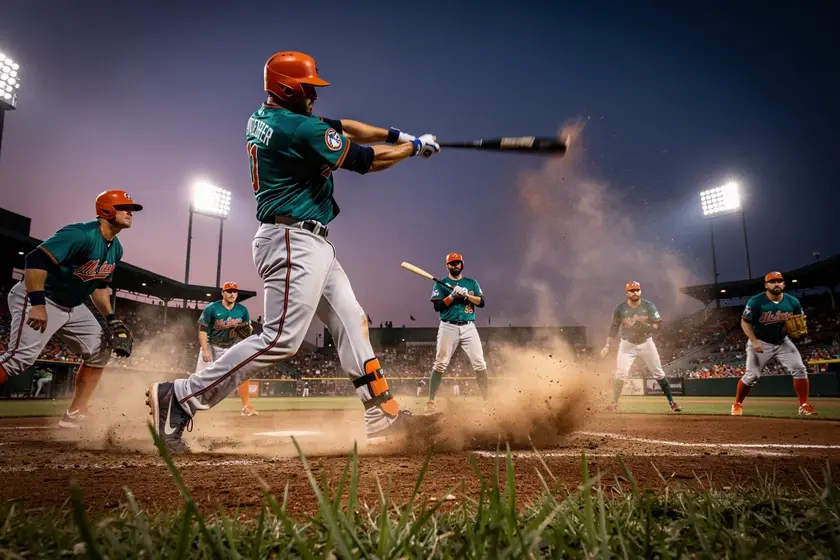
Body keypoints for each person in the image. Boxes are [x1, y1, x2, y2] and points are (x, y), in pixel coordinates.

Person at [147, 51, 443, 452]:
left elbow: (345, 127)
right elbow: (364, 160)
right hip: (293, 241)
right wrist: (413, 150)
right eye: (308, 89)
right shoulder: (297, 128)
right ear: (287, 90)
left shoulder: (272, 117)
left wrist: (397, 135)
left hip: (310, 241)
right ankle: (180, 398)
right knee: (280, 338)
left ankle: (381, 414)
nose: (314, 96)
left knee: (352, 322)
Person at [0, 190, 141, 427]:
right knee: (20, 359)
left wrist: (112, 318)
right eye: (124, 207)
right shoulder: (80, 234)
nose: (130, 213)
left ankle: (75, 413)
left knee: (100, 351)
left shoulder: (116, 248)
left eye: (132, 209)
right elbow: (35, 260)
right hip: (39, 296)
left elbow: (98, 285)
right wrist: (37, 303)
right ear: (106, 210)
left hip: (73, 306)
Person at [731, 271, 816, 416]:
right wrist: (754, 340)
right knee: (752, 375)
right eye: (772, 281)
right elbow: (745, 323)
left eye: (779, 281)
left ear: (783, 284)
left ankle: (804, 405)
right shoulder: (756, 301)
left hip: (783, 341)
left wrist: (801, 325)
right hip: (760, 341)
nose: (776, 284)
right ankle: (737, 404)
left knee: (799, 368)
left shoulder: (793, 302)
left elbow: (799, 319)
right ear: (766, 285)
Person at [600, 281, 681, 412]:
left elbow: (658, 324)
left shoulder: (649, 306)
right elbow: (614, 327)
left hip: (646, 343)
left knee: (659, 373)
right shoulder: (620, 308)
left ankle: (672, 402)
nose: (635, 292)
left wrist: (648, 328)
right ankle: (614, 403)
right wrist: (607, 345)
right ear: (627, 293)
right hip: (627, 344)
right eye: (632, 290)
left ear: (640, 291)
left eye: (637, 290)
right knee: (620, 373)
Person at [426, 253, 488, 411]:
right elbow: (437, 307)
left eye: (457, 263)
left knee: (480, 363)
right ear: (447, 266)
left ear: (462, 264)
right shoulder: (441, 284)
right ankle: (430, 402)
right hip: (448, 326)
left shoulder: (471, 282)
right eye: (452, 263)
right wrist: (452, 296)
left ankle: (487, 402)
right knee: (440, 364)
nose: (455, 266)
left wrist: (466, 295)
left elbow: (481, 302)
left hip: (469, 326)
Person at [195, 281, 257, 416]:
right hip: (212, 347)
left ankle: (246, 406)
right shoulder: (212, 308)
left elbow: (249, 330)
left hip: (231, 348)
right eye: (229, 291)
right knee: (199, 379)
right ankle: (190, 405)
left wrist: (249, 330)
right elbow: (203, 331)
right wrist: (205, 349)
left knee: (242, 373)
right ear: (223, 293)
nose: (232, 294)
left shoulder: (242, 310)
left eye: (234, 291)